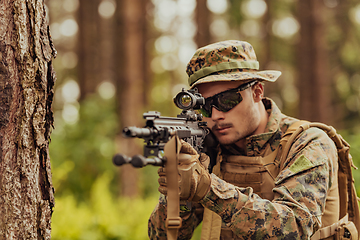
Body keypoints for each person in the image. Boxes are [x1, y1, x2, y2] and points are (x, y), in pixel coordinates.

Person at [148, 40, 340, 239]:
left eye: (226, 101)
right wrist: (179, 193)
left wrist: (208, 188)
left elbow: (295, 228)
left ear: (257, 92)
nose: (215, 116)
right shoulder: (210, 149)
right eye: (204, 106)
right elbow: (162, 236)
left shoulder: (308, 143)